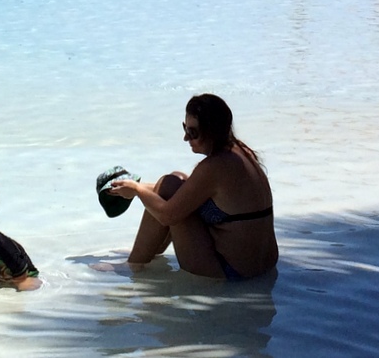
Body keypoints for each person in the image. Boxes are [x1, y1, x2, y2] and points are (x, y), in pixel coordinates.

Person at [105, 93, 277, 281]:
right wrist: (134, 187)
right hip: (262, 267)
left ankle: (134, 264)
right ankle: (147, 253)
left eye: (193, 132)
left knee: (171, 185)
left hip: (230, 272)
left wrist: (137, 191)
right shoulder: (240, 153)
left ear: (212, 130)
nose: (185, 137)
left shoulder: (214, 167)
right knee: (176, 180)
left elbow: (167, 215)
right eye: (185, 128)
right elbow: (192, 191)